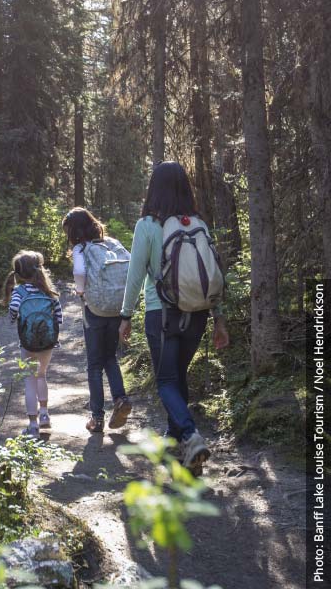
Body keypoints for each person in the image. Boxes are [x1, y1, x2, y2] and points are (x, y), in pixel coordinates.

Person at [119, 161, 229, 473]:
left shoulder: (148, 225)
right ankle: (177, 442)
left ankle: (191, 435)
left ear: (154, 188)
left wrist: (125, 315)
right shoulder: (198, 223)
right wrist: (218, 318)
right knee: (177, 376)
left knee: (166, 379)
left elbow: (135, 274)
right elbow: (214, 275)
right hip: (197, 314)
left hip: (162, 314)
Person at [62, 207, 132, 433]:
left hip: (95, 310)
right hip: (117, 308)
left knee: (94, 364)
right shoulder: (111, 243)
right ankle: (120, 399)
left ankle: (97, 418)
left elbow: (80, 273)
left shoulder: (82, 248)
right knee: (110, 357)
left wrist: (80, 292)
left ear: (74, 230)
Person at [0, 250, 63, 437]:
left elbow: (13, 310)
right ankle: (44, 415)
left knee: (29, 380)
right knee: (42, 375)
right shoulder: (48, 291)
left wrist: (15, 318)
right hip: (47, 343)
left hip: (27, 343)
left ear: (18, 274)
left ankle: (33, 425)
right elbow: (59, 316)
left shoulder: (19, 292)